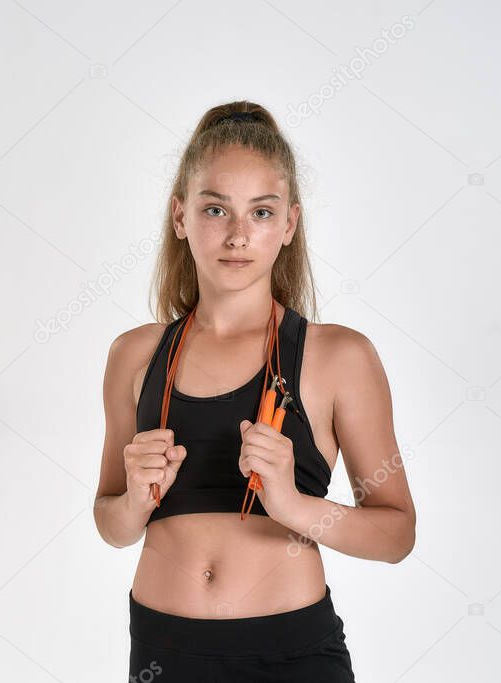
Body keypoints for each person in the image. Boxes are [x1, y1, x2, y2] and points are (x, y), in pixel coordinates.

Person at [93, 101, 416, 681]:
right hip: (164, 653)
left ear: (289, 224)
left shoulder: (339, 356)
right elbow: (110, 522)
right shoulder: (134, 356)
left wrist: (293, 506)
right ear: (180, 216)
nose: (239, 235)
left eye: (261, 213)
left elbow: (397, 534)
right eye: (215, 208)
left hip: (290, 653)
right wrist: (137, 500)